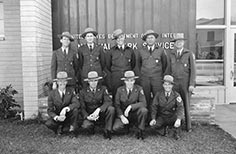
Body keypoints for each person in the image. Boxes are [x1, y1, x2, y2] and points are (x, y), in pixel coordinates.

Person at [137, 29, 170, 119]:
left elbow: (165, 64)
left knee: (158, 99)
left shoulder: (161, 50)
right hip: (145, 79)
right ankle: (146, 120)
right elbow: (138, 65)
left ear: (155, 39)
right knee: (145, 99)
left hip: (157, 79)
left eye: (152, 37)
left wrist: (161, 77)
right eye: (148, 38)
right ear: (145, 40)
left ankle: (157, 119)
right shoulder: (141, 51)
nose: (150, 39)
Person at [169, 33, 196, 132]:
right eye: (177, 41)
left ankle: (188, 126)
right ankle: (175, 124)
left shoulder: (189, 54)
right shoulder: (171, 54)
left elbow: (193, 70)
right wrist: (168, 83)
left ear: (183, 42)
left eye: (181, 41)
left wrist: (191, 84)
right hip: (174, 83)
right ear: (174, 43)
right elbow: (169, 70)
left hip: (185, 84)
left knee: (186, 105)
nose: (179, 43)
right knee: (174, 104)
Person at [79, 71, 115, 139]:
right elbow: (82, 107)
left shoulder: (103, 89)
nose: (93, 82)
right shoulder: (82, 92)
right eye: (91, 81)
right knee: (86, 126)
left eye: (95, 80)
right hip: (90, 115)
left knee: (111, 109)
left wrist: (99, 109)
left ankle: (107, 131)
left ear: (98, 81)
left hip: (101, 114)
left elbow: (108, 101)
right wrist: (87, 117)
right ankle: (91, 128)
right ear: (88, 82)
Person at [113, 71, 147, 140]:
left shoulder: (139, 89)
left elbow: (144, 103)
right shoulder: (119, 90)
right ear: (124, 81)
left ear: (134, 81)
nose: (129, 83)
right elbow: (117, 105)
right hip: (123, 114)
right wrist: (121, 116)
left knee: (144, 110)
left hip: (134, 113)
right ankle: (127, 128)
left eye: (131, 81)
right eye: (127, 81)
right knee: (116, 128)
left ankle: (140, 130)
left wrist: (131, 107)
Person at [45, 71, 80, 136]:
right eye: (60, 81)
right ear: (57, 82)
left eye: (64, 81)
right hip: (58, 117)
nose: (62, 83)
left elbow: (76, 103)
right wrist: (57, 117)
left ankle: (72, 129)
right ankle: (58, 128)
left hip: (68, 116)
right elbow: (50, 110)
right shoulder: (52, 94)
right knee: (49, 123)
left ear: (67, 82)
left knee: (75, 110)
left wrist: (67, 108)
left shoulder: (71, 91)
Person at [150, 75, 184, 140]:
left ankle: (175, 131)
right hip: (162, 117)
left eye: (169, 85)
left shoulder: (176, 95)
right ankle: (164, 130)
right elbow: (154, 107)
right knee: (153, 126)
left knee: (182, 120)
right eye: (165, 84)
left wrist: (178, 119)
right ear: (163, 85)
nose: (167, 86)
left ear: (172, 85)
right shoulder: (158, 94)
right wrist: (153, 118)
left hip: (172, 116)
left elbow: (180, 107)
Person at [106, 29, 136, 99]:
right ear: (115, 40)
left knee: (128, 95)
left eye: (121, 37)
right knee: (116, 95)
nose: (119, 39)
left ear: (124, 37)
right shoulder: (111, 51)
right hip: (116, 77)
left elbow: (133, 64)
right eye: (117, 38)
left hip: (127, 77)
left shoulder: (130, 50)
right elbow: (108, 65)